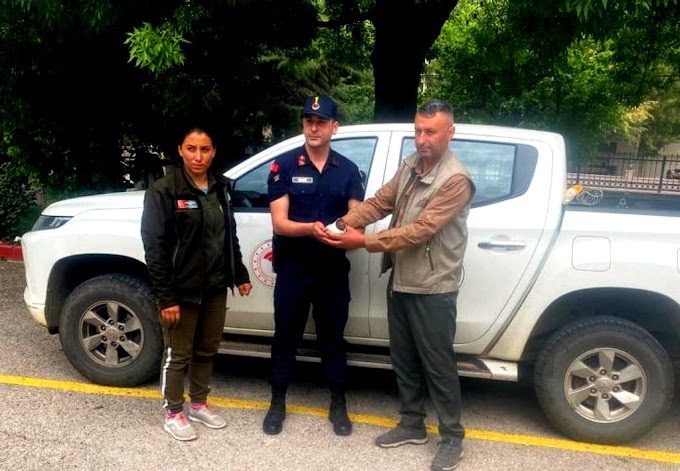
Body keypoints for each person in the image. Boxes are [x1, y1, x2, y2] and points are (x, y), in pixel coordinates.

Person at [323, 100, 474, 471]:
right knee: (404, 359)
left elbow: (421, 230)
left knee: (437, 365)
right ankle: (411, 424)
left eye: (430, 132)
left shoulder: (455, 179)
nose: (421, 139)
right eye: (418, 131)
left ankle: (452, 437)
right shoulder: (411, 165)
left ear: (450, 133)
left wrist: (364, 242)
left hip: (434, 286)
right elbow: (380, 202)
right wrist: (342, 224)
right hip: (403, 280)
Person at [141, 125, 252, 441]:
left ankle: (199, 404)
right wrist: (166, 298)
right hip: (181, 291)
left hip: (215, 287)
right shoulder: (164, 191)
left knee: (207, 349)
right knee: (178, 353)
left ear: (214, 152)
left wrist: (240, 275)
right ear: (180, 150)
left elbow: (227, 236)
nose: (198, 156)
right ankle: (173, 411)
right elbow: (155, 248)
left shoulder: (219, 188)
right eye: (191, 148)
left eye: (205, 149)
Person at [264, 95, 365, 437]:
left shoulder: (349, 171)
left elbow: (357, 222)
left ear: (335, 127)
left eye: (321, 122)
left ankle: (338, 402)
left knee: (333, 339)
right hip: (294, 269)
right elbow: (279, 223)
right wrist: (309, 228)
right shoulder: (284, 166)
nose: (314, 127)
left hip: (332, 272)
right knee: (286, 337)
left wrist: (345, 232)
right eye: (309, 120)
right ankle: (277, 401)